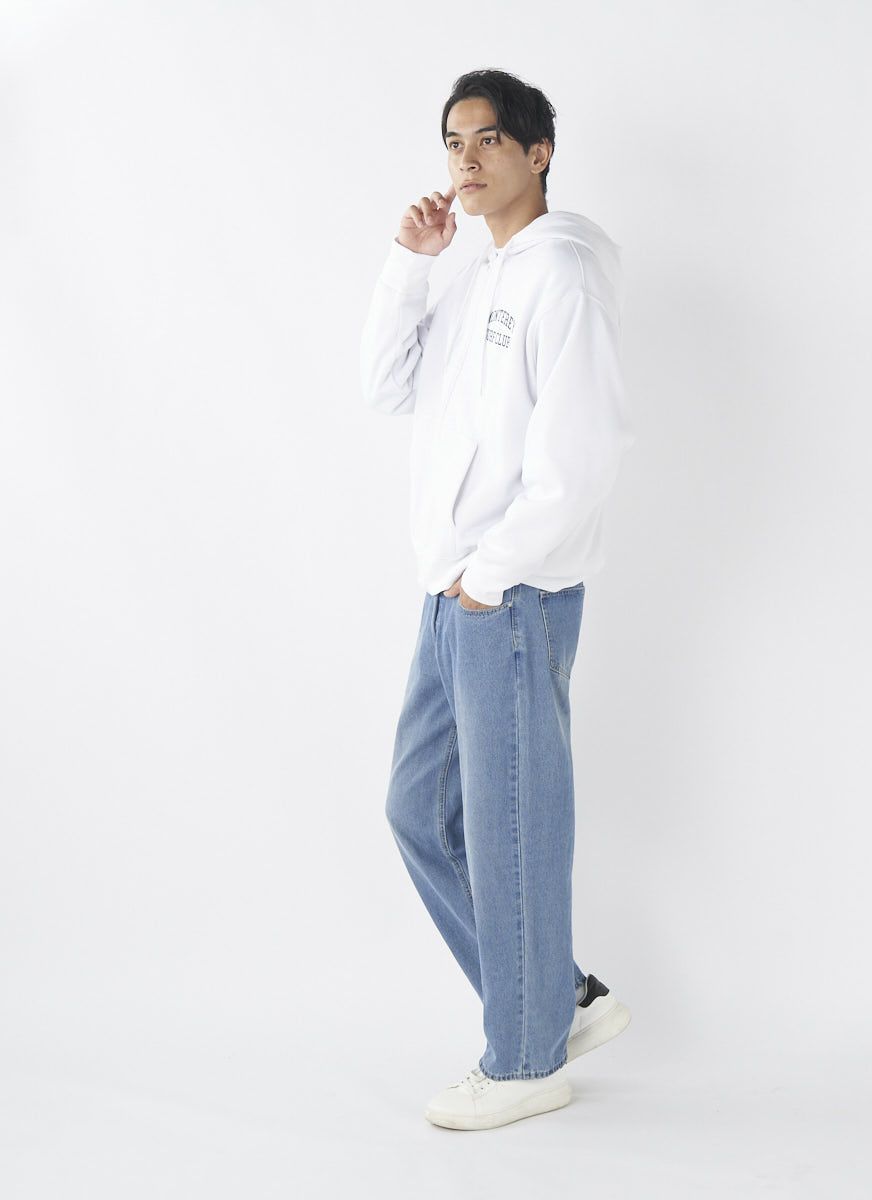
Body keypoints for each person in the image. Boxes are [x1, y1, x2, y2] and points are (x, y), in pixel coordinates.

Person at [359, 68, 634, 1130]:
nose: (464, 160)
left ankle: (523, 1062)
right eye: (451, 143)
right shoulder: (478, 274)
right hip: (454, 596)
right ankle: (557, 996)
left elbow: (582, 455)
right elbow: (385, 386)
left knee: (511, 828)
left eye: (486, 140)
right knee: (419, 810)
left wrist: (490, 576)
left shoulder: (561, 275)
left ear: (538, 152)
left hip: (508, 596)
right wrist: (410, 264)